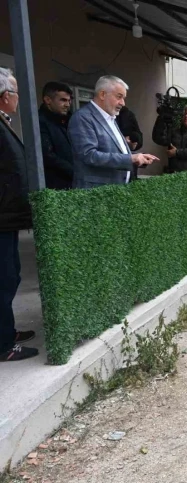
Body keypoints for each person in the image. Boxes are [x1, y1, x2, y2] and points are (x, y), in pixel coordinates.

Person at [0, 67, 38, 361]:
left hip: (8, 218)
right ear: (4, 96)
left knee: (10, 276)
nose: (17, 98)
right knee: (5, 278)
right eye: (14, 92)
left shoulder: (3, 122)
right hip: (2, 218)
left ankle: (7, 330)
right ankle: (3, 345)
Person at [68, 75, 158, 188]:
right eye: (119, 97)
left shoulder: (110, 118)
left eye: (124, 98)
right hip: (95, 193)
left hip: (115, 192)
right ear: (102, 94)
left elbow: (113, 151)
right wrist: (130, 159)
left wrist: (137, 157)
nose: (123, 103)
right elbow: (89, 155)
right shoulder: (82, 117)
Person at [38, 81, 74, 189]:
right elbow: (47, 156)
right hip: (55, 186)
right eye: (63, 100)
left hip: (72, 183)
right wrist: (74, 171)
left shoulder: (68, 120)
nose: (67, 104)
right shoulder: (39, 121)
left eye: (69, 100)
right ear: (48, 100)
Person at [116, 106, 144, 181]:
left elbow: (139, 136)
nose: (122, 102)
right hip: (114, 162)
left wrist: (134, 142)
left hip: (129, 158)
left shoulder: (128, 114)